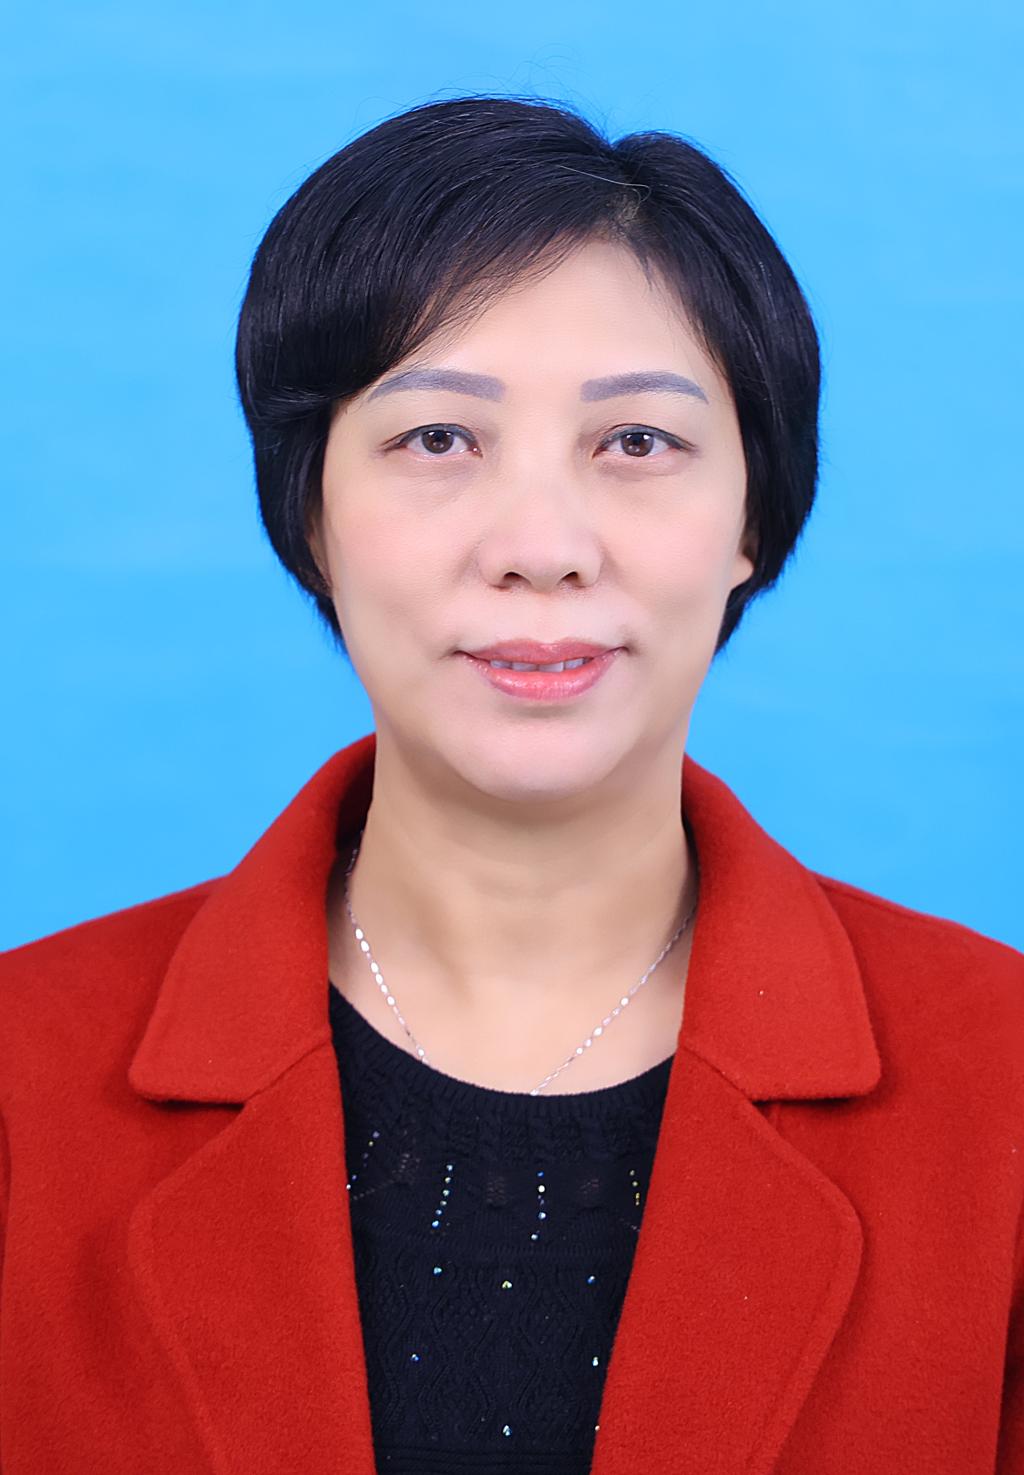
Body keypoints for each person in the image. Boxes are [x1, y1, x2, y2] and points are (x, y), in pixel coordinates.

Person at [1, 94, 1021, 1475]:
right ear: (310, 512)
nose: (542, 547)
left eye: (637, 443)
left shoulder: (1001, 1083)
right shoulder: (24, 1076)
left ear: (754, 514)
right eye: (438, 439)